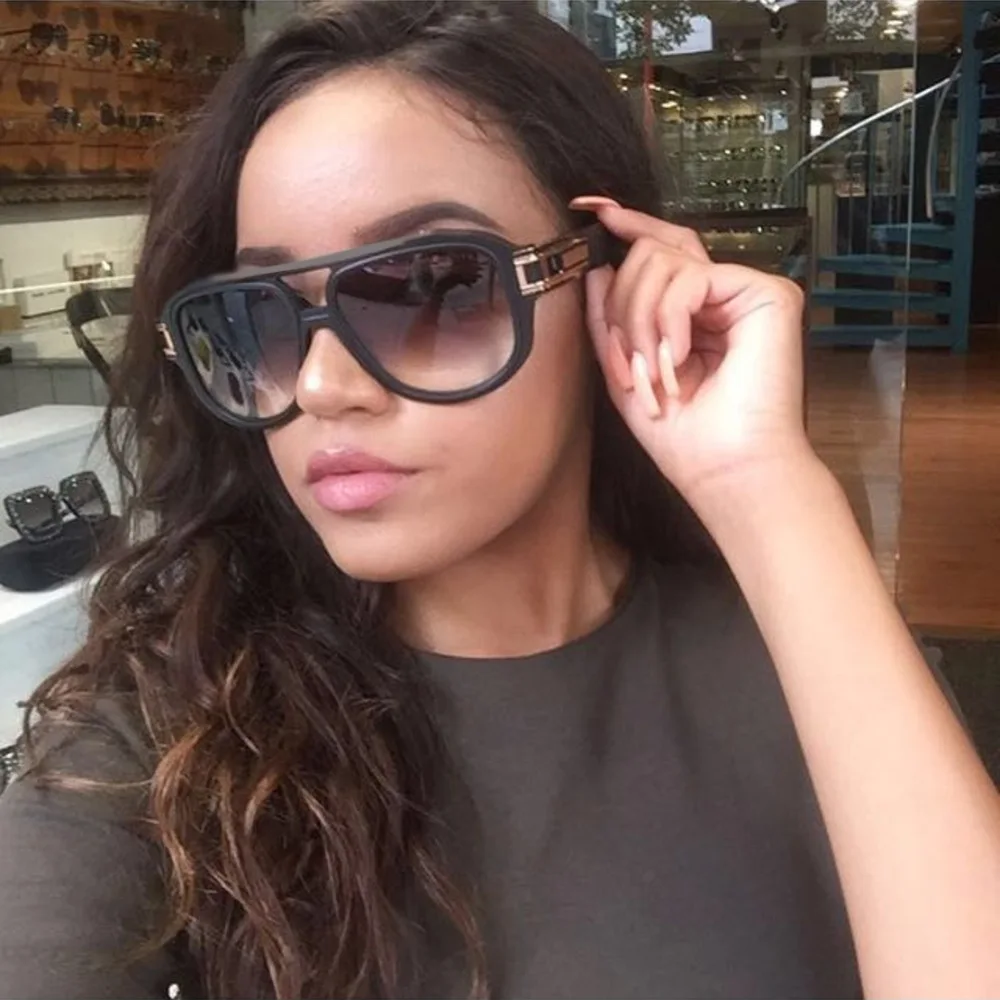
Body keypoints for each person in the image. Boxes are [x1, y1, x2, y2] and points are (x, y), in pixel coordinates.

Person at [0, 3, 998, 998]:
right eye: (259, 316)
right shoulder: (170, 730)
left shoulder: (816, 661)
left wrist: (767, 485)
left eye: (427, 287)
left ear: (605, 286)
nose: (322, 386)